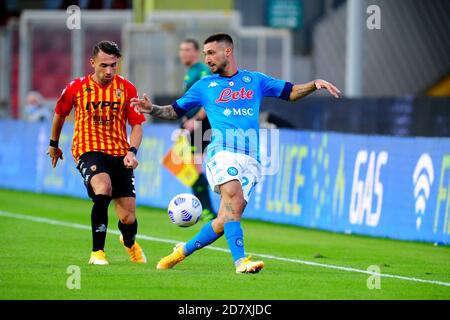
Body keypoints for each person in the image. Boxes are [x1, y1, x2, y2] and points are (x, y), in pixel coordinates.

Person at [131, 33, 340, 274]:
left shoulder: (255, 80)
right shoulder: (204, 86)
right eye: (205, 54)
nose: (207, 59)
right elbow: (175, 111)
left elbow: (290, 92)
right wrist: (152, 109)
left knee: (225, 218)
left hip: (252, 159)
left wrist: (313, 84)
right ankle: (241, 262)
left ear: (227, 52)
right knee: (231, 194)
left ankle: (180, 253)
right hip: (221, 152)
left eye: (211, 53)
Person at [47, 40, 147, 265]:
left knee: (128, 218)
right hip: (88, 149)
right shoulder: (76, 87)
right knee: (103, 187)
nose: (109, 70)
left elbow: (137, 124)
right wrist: (54, 144)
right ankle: (97, 252)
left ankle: (129, 242)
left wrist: (132, 152)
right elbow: (60, 113)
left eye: (113, 65)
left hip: (120, 153)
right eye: (104, 65)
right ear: (92, 63)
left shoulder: (127, 88)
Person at [178, 38, 216, 222]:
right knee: (189, 167)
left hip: (202, 124)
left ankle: (208, 211)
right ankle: (204, 210)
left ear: (195, 52)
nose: (184, 53)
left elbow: (209, 100)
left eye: (187, 49)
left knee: (194, 166)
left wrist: (195, 119)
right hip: (192, 125)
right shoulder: (191, 72)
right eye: (182, 50)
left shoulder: (201, 71)